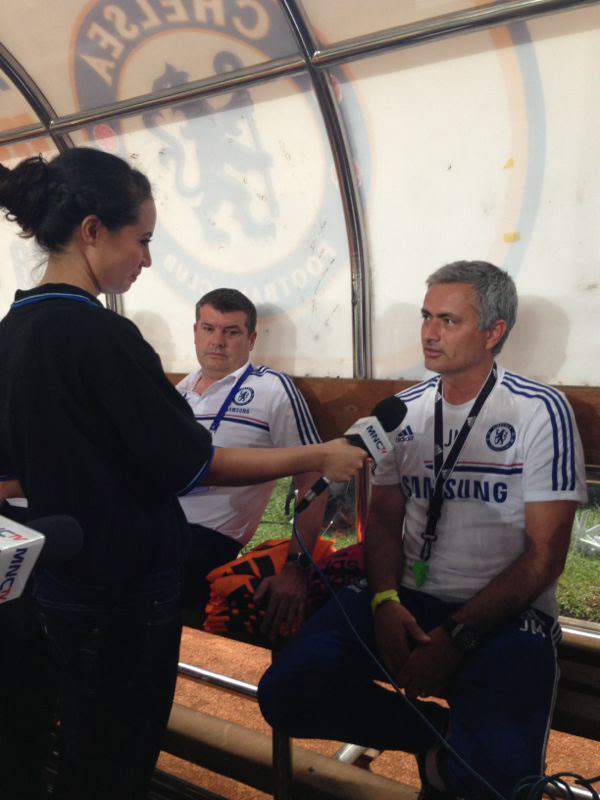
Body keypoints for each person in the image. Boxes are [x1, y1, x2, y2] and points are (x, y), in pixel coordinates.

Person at [0, 148, 365, 800]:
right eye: (141, 240)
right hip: (124, 585)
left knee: (71, 736)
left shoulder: (15, 328)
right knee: (114, 754)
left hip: (62, 573)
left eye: (231, 330)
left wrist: (303, 557)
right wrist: (320, 455)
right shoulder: (107, 339)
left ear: (250, 338)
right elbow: (194, 463)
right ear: (92, 231)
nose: (145, 258)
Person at [257, 261, 587, 800]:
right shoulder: (402, 411)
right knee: (287, 692)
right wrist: (386, 600)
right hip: (405, 597)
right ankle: (437, 742)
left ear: (493, 333)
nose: (429, 334)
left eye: (449, 321)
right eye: (426, 317)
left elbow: (544, 556)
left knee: (494, 780)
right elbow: (384, 517)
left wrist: (456, 639)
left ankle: (461, 766)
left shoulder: (538, 411)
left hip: (505, 616)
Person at [177, 287, 327, 638]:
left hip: (205, 540)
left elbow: (313, 480)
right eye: (208, 328)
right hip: (151, 524)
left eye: (231, 332)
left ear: (251, 338)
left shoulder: (272, 388)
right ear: (195, 331)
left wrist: (296, 565)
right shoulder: (176, 393)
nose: (218, 341)